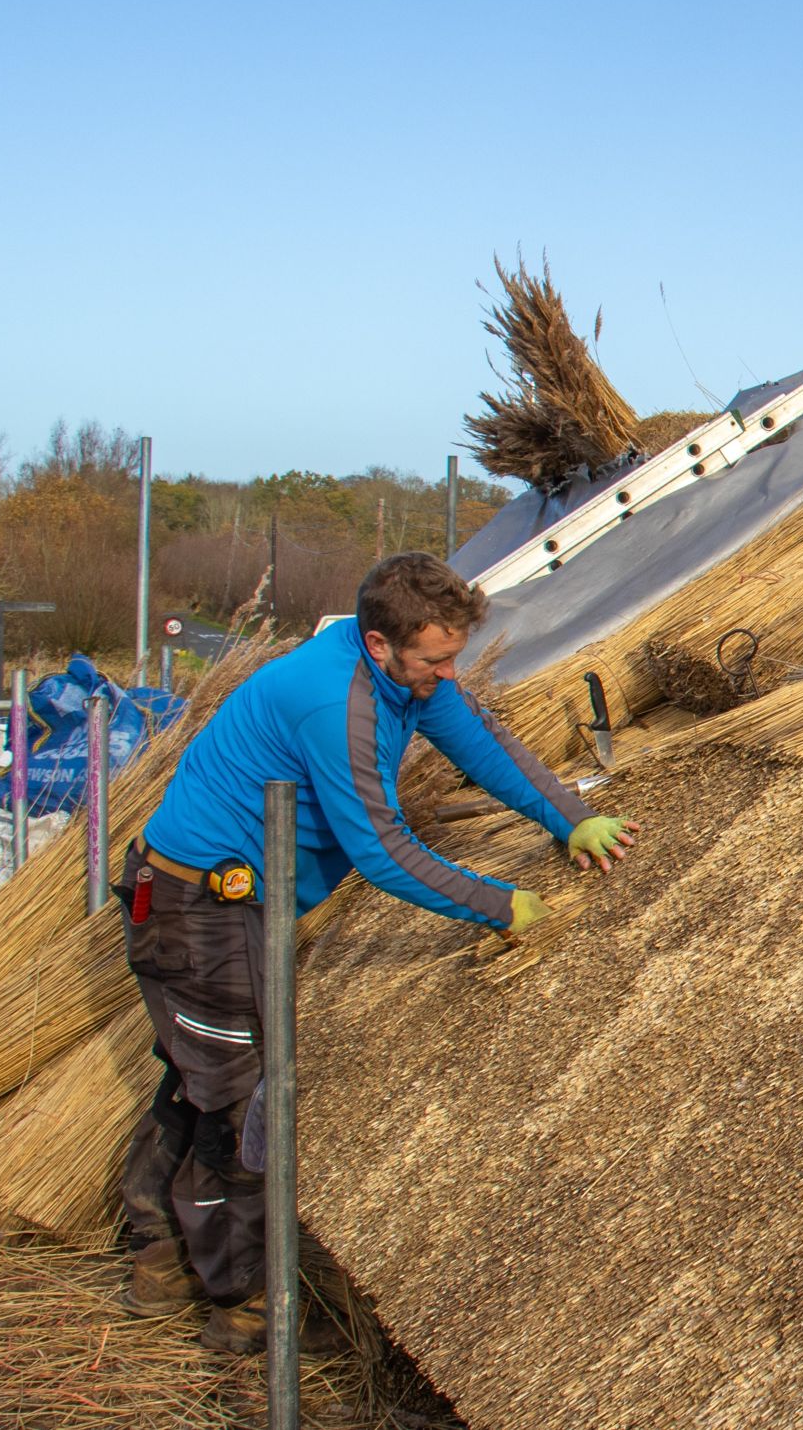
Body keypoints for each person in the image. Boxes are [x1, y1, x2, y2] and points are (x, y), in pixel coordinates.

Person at [112, 552, 635, 1352]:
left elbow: (482, 745)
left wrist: (567, 817)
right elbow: (381, 848)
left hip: (239, 901)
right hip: (193, 907)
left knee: (205, 1083)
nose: (447, 673)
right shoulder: (335, 701)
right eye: (435, 659)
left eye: (454, 654)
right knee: (242, 1104)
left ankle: (158, 1259)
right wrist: (498, 905)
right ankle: (245, 1306)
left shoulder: (408, 675)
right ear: (379, 643)